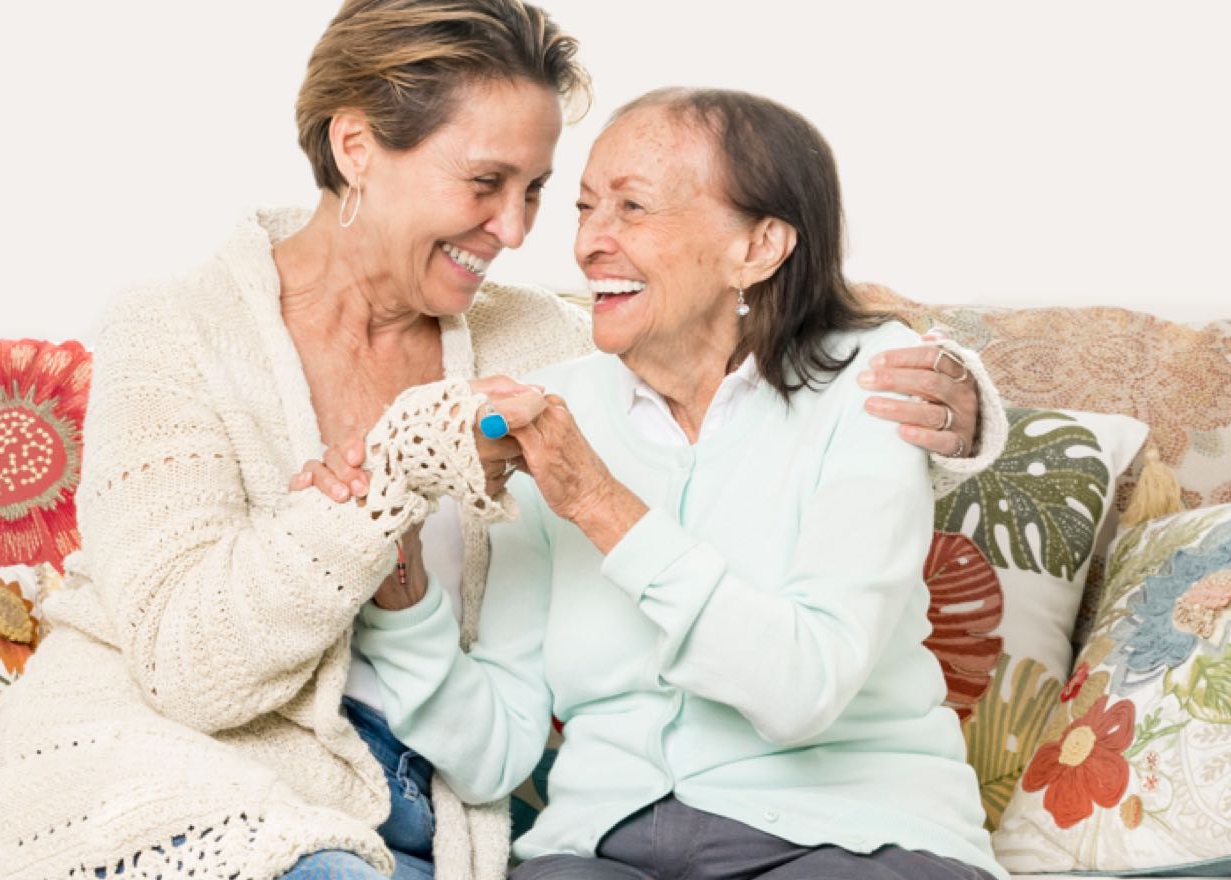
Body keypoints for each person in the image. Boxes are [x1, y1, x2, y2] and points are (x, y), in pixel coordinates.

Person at [0, 2, 1001, 879]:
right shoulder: (173, 329)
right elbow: (192, 668)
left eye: (537, 190)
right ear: (356, 147)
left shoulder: (539, 349)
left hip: (417, 796)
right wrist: (375, 506)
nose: (520, 231)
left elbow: (746, 329)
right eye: (486, 183)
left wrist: (957, 396)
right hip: (177, 761)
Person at [347, 88, 1008, 880]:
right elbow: (494, 753)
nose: (590, 243)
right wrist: (399, 581)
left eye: (632, 208)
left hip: (853, 838)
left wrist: (598, 503)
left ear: (758, 246)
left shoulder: (878, 385)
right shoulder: (558, 411)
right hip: (605, 849)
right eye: (585, 208)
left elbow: (803, 688)